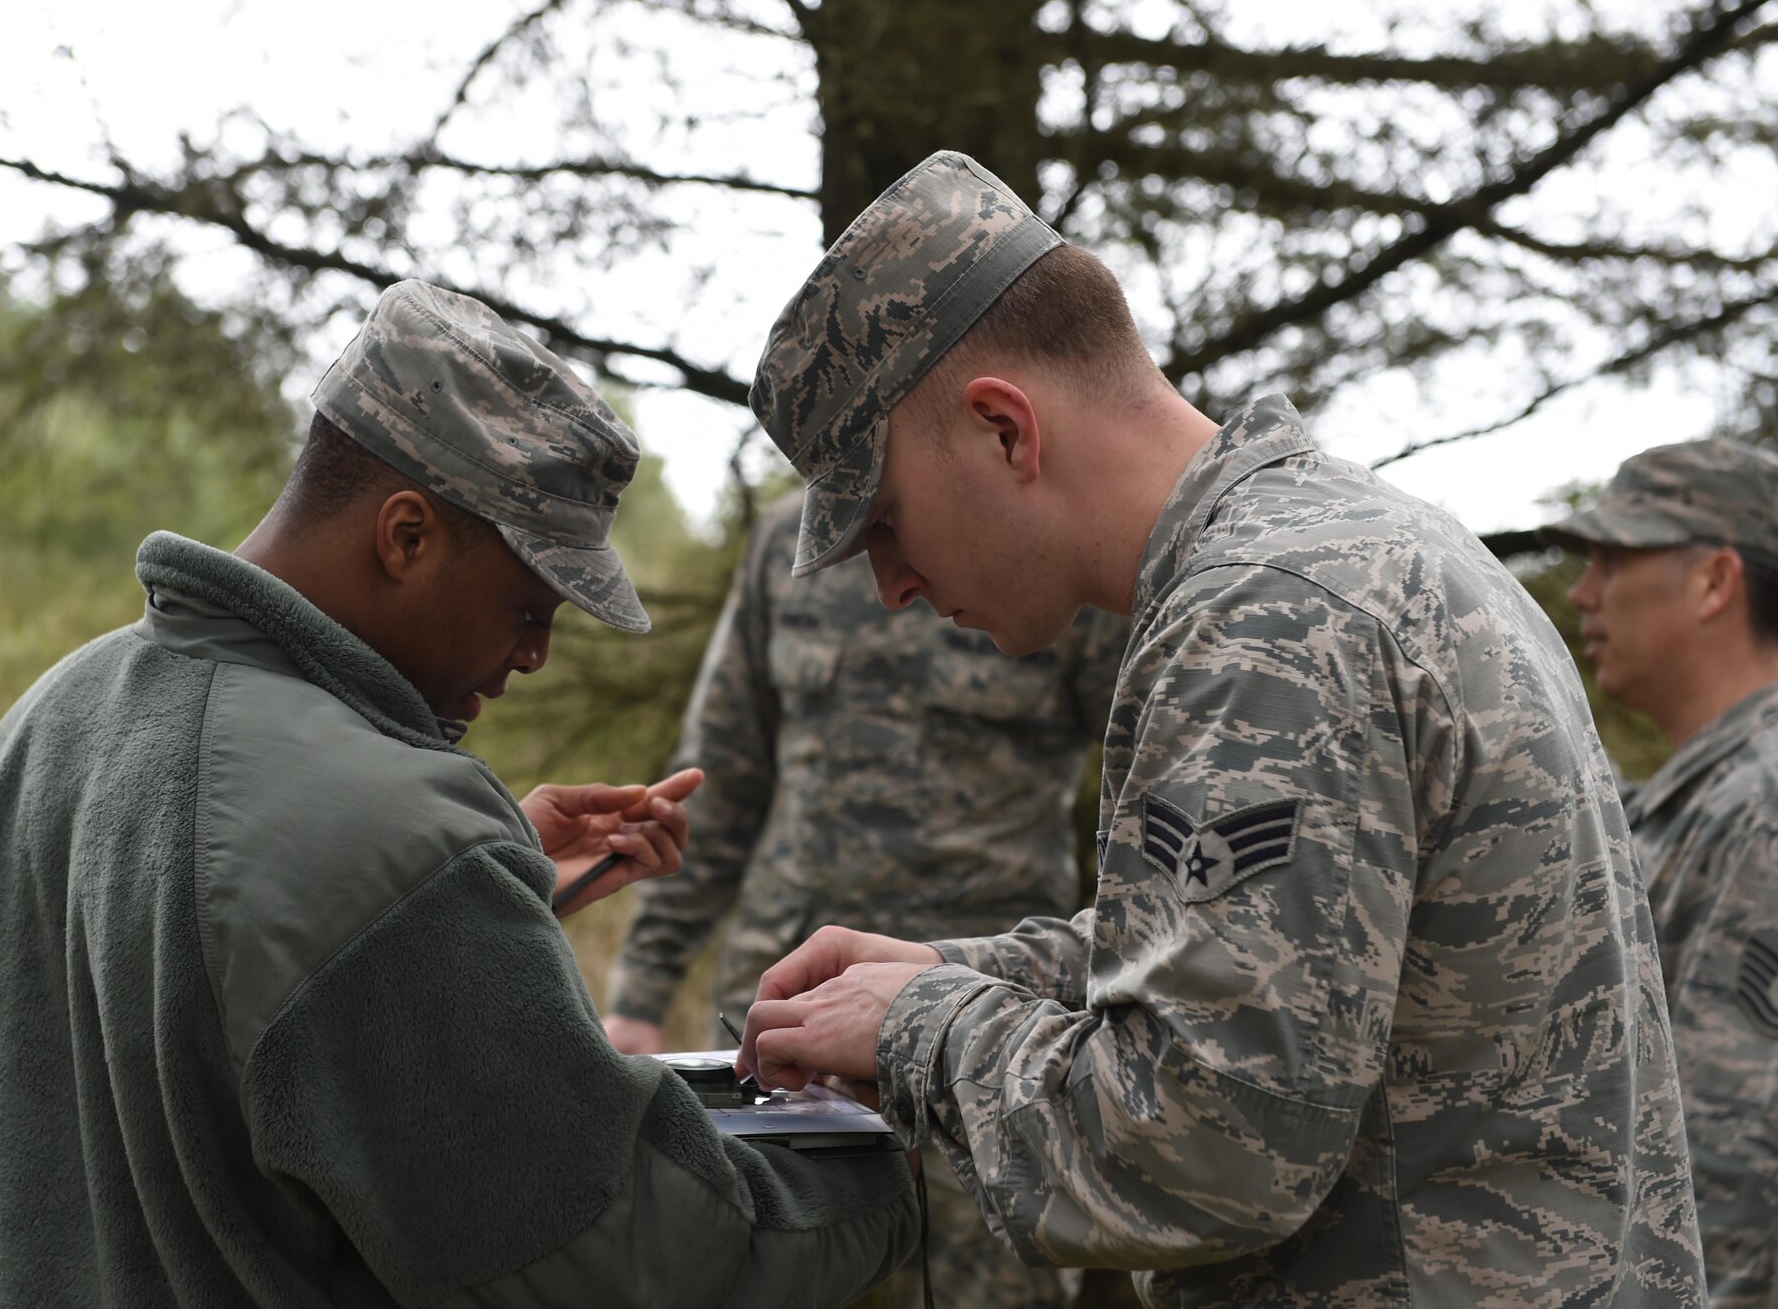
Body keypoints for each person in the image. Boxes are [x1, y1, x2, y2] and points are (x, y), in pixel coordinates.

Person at [733, 151, 1704, 1303]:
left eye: (884, 520)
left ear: (1003, 429)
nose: (890, 584)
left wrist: (924, 1027)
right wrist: (976, 969)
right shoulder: (1354, 547)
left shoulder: (1262, 619)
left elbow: (1196, 1149)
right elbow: (1302, 958)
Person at [0, 281, 918, 1307]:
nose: (533, 654)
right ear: (406, 535)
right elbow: (646, 1264)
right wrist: (906, 1137)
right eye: (529, 605)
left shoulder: (48, 723)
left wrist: (490, 884)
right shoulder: (389, 837)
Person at [602, 486, 1129, 1309]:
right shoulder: (791, 541)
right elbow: (723, 772)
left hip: (977, 1044)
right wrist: (641, 989)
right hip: (780, 1033)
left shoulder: (1041, 552)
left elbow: (1140, 811)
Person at [1541, 438, 1778, 1307]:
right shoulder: (1710, 793)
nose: (1583, 592)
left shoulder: (1762, 800)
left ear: (1716, 582)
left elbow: (1736, 1159)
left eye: (1613, 557)